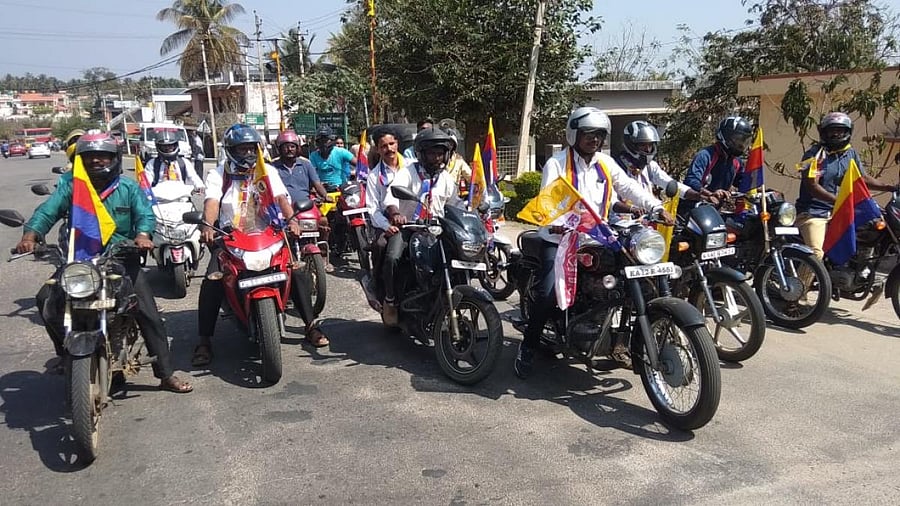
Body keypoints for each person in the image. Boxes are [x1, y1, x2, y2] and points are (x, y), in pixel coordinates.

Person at [15, 131, 193, 392]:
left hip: (121, 258)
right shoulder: (72, 185)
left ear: (115, 158)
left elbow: (145, 215)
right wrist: (31, 235)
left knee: (148, 313)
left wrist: (142, 236)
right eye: (90, 157)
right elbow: (48, 210)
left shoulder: (128, 188)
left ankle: (165, 374)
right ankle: (65, 354)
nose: (96, 162)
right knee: (45, 300)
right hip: (78, 259)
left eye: (103, 156)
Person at [514, 107, 672, 379]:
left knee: (637, 273)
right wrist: (559, 221)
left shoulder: (606, 163)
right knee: (550, 292)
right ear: (573, 134)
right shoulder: (557, 163)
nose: (594, 140)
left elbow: (630, 188)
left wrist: (656, 207)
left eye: (599, 135)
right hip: (561, 237)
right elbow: (551, 199)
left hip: (600, 236)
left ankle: (621, 340)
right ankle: (527, 347)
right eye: (589, 134)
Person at [191, 124, 327, 367]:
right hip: (230, 236)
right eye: (241, 149)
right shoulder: (218, 174)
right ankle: (204, 341)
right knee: (212, 279)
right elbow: (211, 203)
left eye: (251, 148)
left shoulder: (266, 171)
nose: (247, 154)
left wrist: (292, 221)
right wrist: (208, 226)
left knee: (294, 269)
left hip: (268, 233)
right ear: (231, 150)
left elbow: (281, 198)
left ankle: (310, 326)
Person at [378, 127, 464, 325]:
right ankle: (390, 300)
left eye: (440, 152)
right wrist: (396, 213)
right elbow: (391, 196)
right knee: (392, 257)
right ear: (421, 153)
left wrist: (473, 213)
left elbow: (455, 204)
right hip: (409, 228)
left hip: (437, 231)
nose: (436, 157)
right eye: (432, 152)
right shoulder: (408, 172)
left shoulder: (446, 179)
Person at [796, 112, 898, 259]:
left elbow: (862, 178)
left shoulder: (850, 154)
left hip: (841, 212)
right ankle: (804, 282)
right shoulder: (813, 156)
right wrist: (838, 201)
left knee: (875, 228)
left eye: (840, 130)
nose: (836, 134)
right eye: (832, 130)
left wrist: (889, 187)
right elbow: (812, 187)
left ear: (848, 132)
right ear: (823, 132)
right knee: (816, 254)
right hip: (814, 212)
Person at [612, 120, 710, 215]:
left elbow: (668, 183)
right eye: (643, 145)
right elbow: (612, 201)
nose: (647, 149)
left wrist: (700, 196)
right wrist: (632, 210)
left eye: (650, 145)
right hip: (621, 223)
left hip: (648, 220)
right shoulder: (616, 167)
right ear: (631, 145)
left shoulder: (650, 166)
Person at [272, 129, 336, 273]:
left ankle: (324, 255)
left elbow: (317, 183)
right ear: (279, 149)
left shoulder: (306, 164)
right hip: (282, 209)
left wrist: (325, 196)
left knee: (324, 222)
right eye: (286, 146)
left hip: (305, 206)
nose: (289, 149)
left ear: (298, 148)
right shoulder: (272, 167)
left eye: (292, 146)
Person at [363, 127, 408, 304]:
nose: (389, 149)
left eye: (392, 144)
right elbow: (373, 208)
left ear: (397, 143)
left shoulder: (412, 168)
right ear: (378, 149)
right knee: (382, 246)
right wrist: (387, 226)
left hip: (414, 220)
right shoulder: (374, 177)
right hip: (386, 222)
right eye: (384, 146)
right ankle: (381, 286)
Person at [680, 116, 753, 213]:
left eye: (744, 141)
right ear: (726, 137)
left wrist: (761, 189)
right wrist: (710, 194)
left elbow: (743, 182)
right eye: (738, 140)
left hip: (713, 212)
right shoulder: (706, 155)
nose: (741, 145)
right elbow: (691, 181)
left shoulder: (736, 162)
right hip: (692, 210)